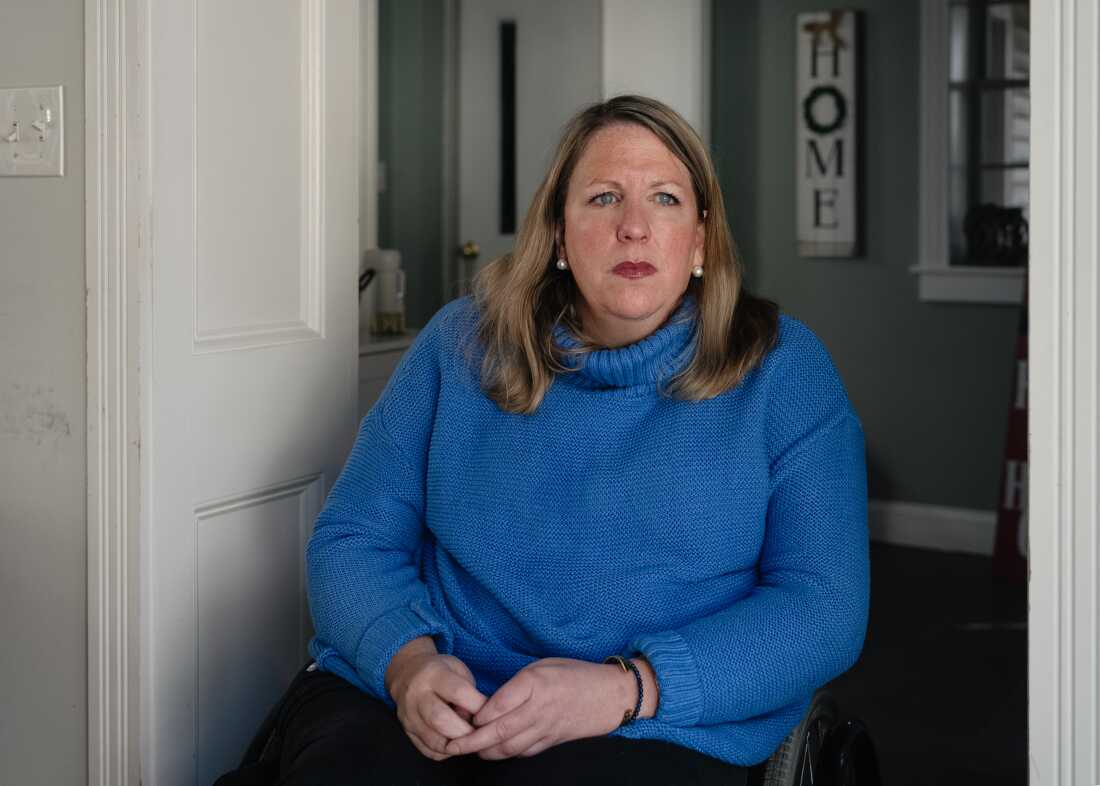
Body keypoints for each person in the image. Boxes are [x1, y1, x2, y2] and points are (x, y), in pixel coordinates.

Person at [217, 94, 869, 786]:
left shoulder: (784, 371)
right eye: (603, 198)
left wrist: (627, 688)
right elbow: (352, 539)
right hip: (437, 688)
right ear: (559, 234)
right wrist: (406, 661)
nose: (635, 228)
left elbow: (823, 608)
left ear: (702, 239)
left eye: (667, 200)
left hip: (653, 716)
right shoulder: (459, 345)